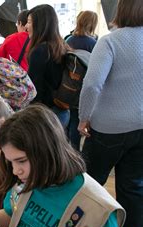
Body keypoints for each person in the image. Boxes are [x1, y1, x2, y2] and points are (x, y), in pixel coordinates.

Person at [78, 0, 143, 227]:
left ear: (121, 10)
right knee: (134, 184)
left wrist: (84, 118)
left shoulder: (110, 41)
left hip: (108, 127)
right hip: (141, 127)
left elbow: (92, 84)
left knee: (90, 183)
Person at [26, 5, 69, 128]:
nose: (26, 27)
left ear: (40, 24)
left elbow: (34, 90)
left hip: (46, 115)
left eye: (29, 22)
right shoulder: (61, 46)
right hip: (62, 111)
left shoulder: (40, 50)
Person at [65, 10, 98, 151]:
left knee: (70, 119)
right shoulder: (93, 43)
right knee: (77, 120)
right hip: (84, 87)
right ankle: (76, 152)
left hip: (68, 85)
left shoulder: (68, 40)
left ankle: (69, 150)